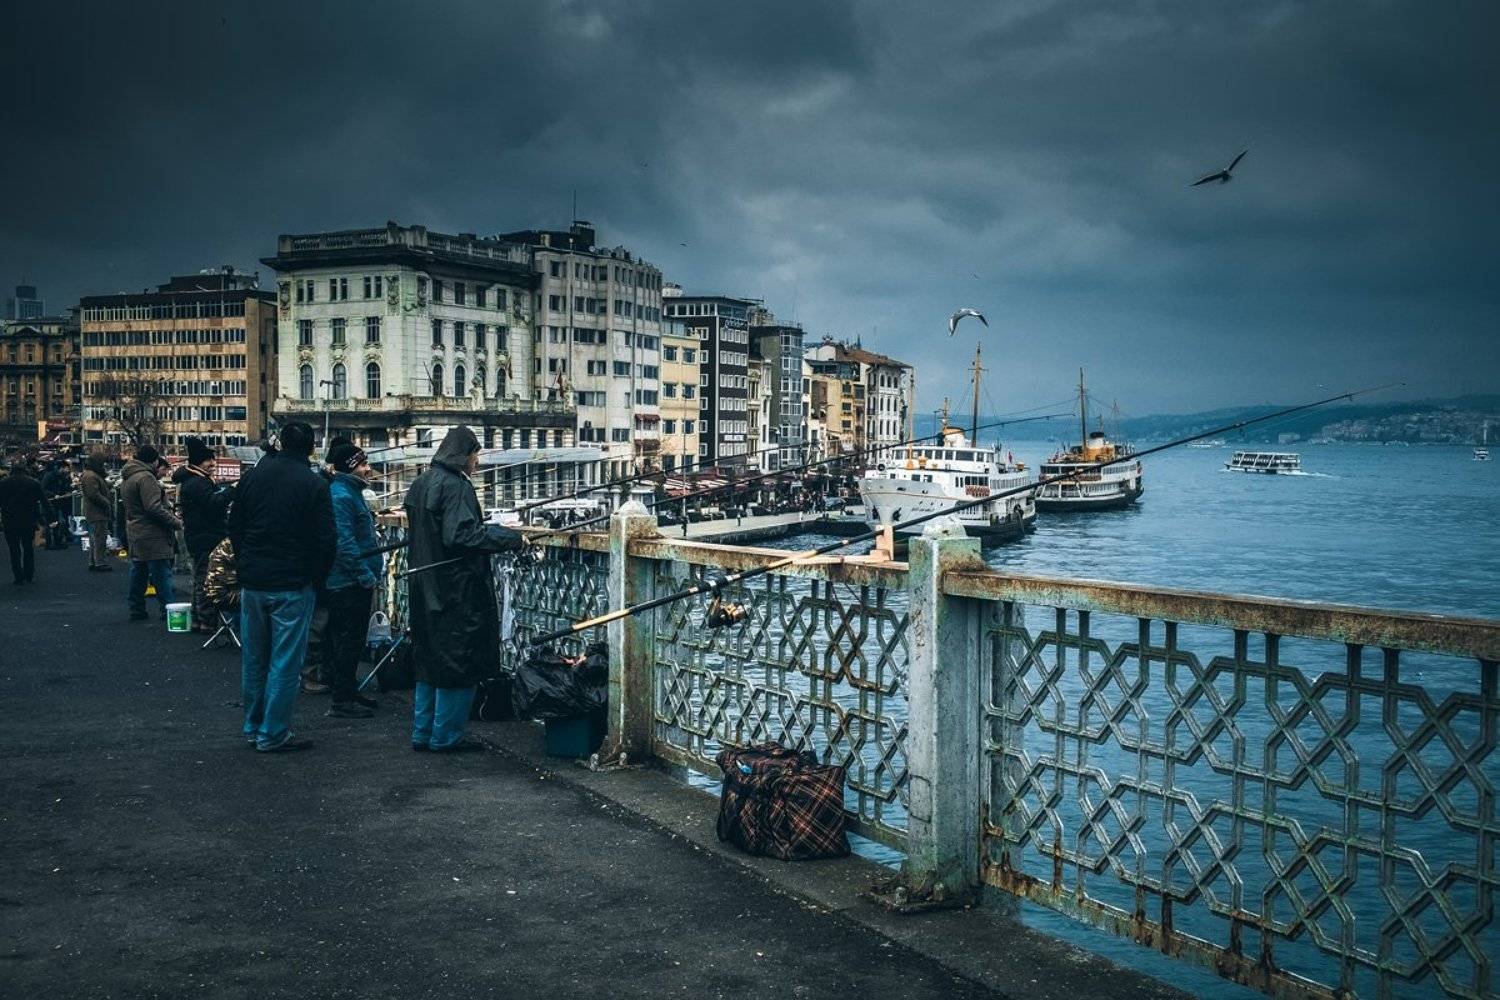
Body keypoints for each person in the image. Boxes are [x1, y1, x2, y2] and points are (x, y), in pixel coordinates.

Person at [404, 425, 523, 753]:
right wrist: (508, 537)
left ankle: (423, 732)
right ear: (463, 454)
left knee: (429, 661)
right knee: (459, 662)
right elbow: (461, 536)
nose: (477, 461)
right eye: (475, 454)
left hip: (423, 587)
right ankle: (446, 737)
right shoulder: (455, 487)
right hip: (456, 589)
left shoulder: (420, 483)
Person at [228, 422, 334, 752]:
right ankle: (273, 733)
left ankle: (253, 725)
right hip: (292, 583)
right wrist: (315, 578)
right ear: (310, 448)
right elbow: (325, 541)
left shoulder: (253, 477)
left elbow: (235, 526)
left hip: (254, 581)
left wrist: (246, 562)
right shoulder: (313, 484)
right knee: (285, 662)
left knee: (255, 659)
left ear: (279, 443)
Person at [322, 442, 381, 719]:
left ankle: (348, 690)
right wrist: (364, 575)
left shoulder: (349, 492)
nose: (368, 468)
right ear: (349, 467)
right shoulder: (342, 496)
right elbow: (344, 543)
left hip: (350, 580)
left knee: (350, 640)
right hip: (347, 582)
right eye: (362, 464)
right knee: (347, 639)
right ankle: (342, 699)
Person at [300, 435, 353, 696]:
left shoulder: (321, 482)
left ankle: (319, 673)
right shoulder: (329, 488)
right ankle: (311, 675)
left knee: (322, 624)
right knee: (319, 624)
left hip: (321, 565)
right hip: (324, 568)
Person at [173, 437, 234, 633]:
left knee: (200, 577)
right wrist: (231, 491)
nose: (213, 464)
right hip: (205, 536)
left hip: (199, 535)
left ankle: (198, 619)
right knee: (206, 579)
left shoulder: (193, 480)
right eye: (209, 460)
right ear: (199, 462)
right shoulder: (197, 483)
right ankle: (207, 620)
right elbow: (213, 503)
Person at [120, 445, 182, 620]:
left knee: (138, 572)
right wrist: (175, 522)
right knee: (161, 574)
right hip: (153, 533)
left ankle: (136, 608)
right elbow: (153, 507)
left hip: (136, 530)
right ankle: (169, 611)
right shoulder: (146, 478)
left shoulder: (128, 476)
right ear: (153, 460)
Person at [0, 462, 46, 585]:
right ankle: (29, 573)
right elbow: (43, 501)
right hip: (28, 520)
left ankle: (18, 575)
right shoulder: (33, 483)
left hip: (10, 520)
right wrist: (46, 518)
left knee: (14, 549)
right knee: (28, 547)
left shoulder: (3, 484)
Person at [79, 449, 114, 571]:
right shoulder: (90, 475)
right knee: (99, 538)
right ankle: (100, 562)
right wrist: (106, 503)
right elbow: (93, 494)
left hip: (95, 511)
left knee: (95, 538)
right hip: (97, 512)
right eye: (102, 462)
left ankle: (94, 561)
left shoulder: (91, 474)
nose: (104, 465)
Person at [40, 461, 72, 550]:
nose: (68, 470)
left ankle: (57, 542)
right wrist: (53, 495)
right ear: (61, 468)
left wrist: (67, 491)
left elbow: (62, 488)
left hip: (57, 502)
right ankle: (49, 543)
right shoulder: (49, 475)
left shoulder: (60, 476)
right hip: (49, 502)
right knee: (49, 522)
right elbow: (43, 488)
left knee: (56, 522)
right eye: (67, 468)